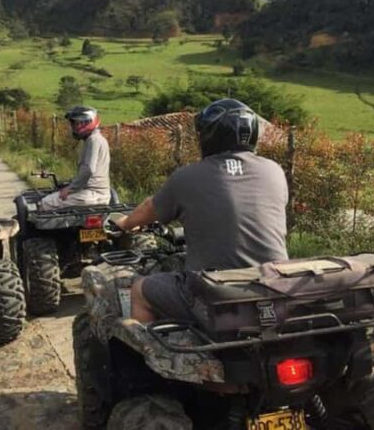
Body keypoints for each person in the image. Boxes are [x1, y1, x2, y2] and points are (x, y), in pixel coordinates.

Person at [114, 98, 289, 323]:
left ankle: (149, 356)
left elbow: (151, 207)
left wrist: (126, 223)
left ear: (209, 137)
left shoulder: (187, 177)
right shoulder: (274, 171)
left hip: (216, 293)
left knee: (139, 291)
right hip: (276, 285)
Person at [40, 105, 111, 210]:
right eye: (74, 123)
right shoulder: (98, 139)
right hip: (99, 194)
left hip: (91, 194)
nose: (75, 126)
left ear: (88, 122)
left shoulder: (93, 140)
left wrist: (70, 189)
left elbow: (88, 170)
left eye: (78, 123)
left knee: (45, 203)